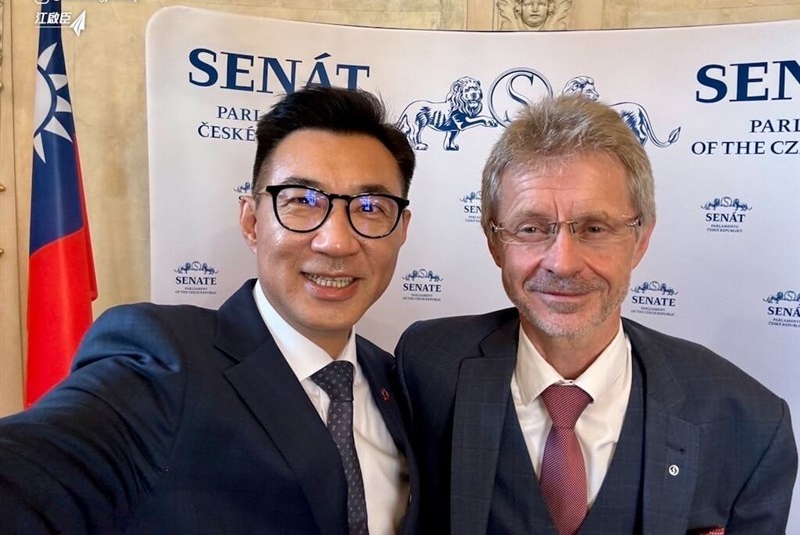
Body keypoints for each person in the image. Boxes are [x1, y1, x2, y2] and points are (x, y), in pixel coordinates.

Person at [0, 85, 420, 534]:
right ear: (252, 222)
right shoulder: (164, 361)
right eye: (302, 201)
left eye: (371, 207)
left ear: (401, 231)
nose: (336, 241)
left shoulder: (401, 383)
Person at [396, 95, 797, 534]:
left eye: (594, 228)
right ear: (495, 243)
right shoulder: (427, 366)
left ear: (640, 239)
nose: (562, 263)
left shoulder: (750, 425)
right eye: (531, 228)